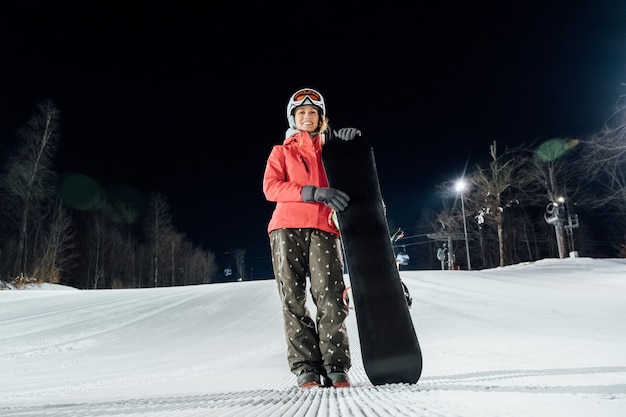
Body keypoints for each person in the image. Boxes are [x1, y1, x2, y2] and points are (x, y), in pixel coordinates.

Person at [262, 88, 360, 388]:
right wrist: (313, 192)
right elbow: (271, 188)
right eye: (301, 112)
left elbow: (356, 177)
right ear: (293, 117)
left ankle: (336, 365)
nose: (307, 117)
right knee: (293, 298)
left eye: (313, 113)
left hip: (324, 229)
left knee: (330, 297)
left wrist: (353, 144)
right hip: (285, 229)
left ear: (321, 119)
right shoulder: (282, 151)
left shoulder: (332, 151)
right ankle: (306, 366)